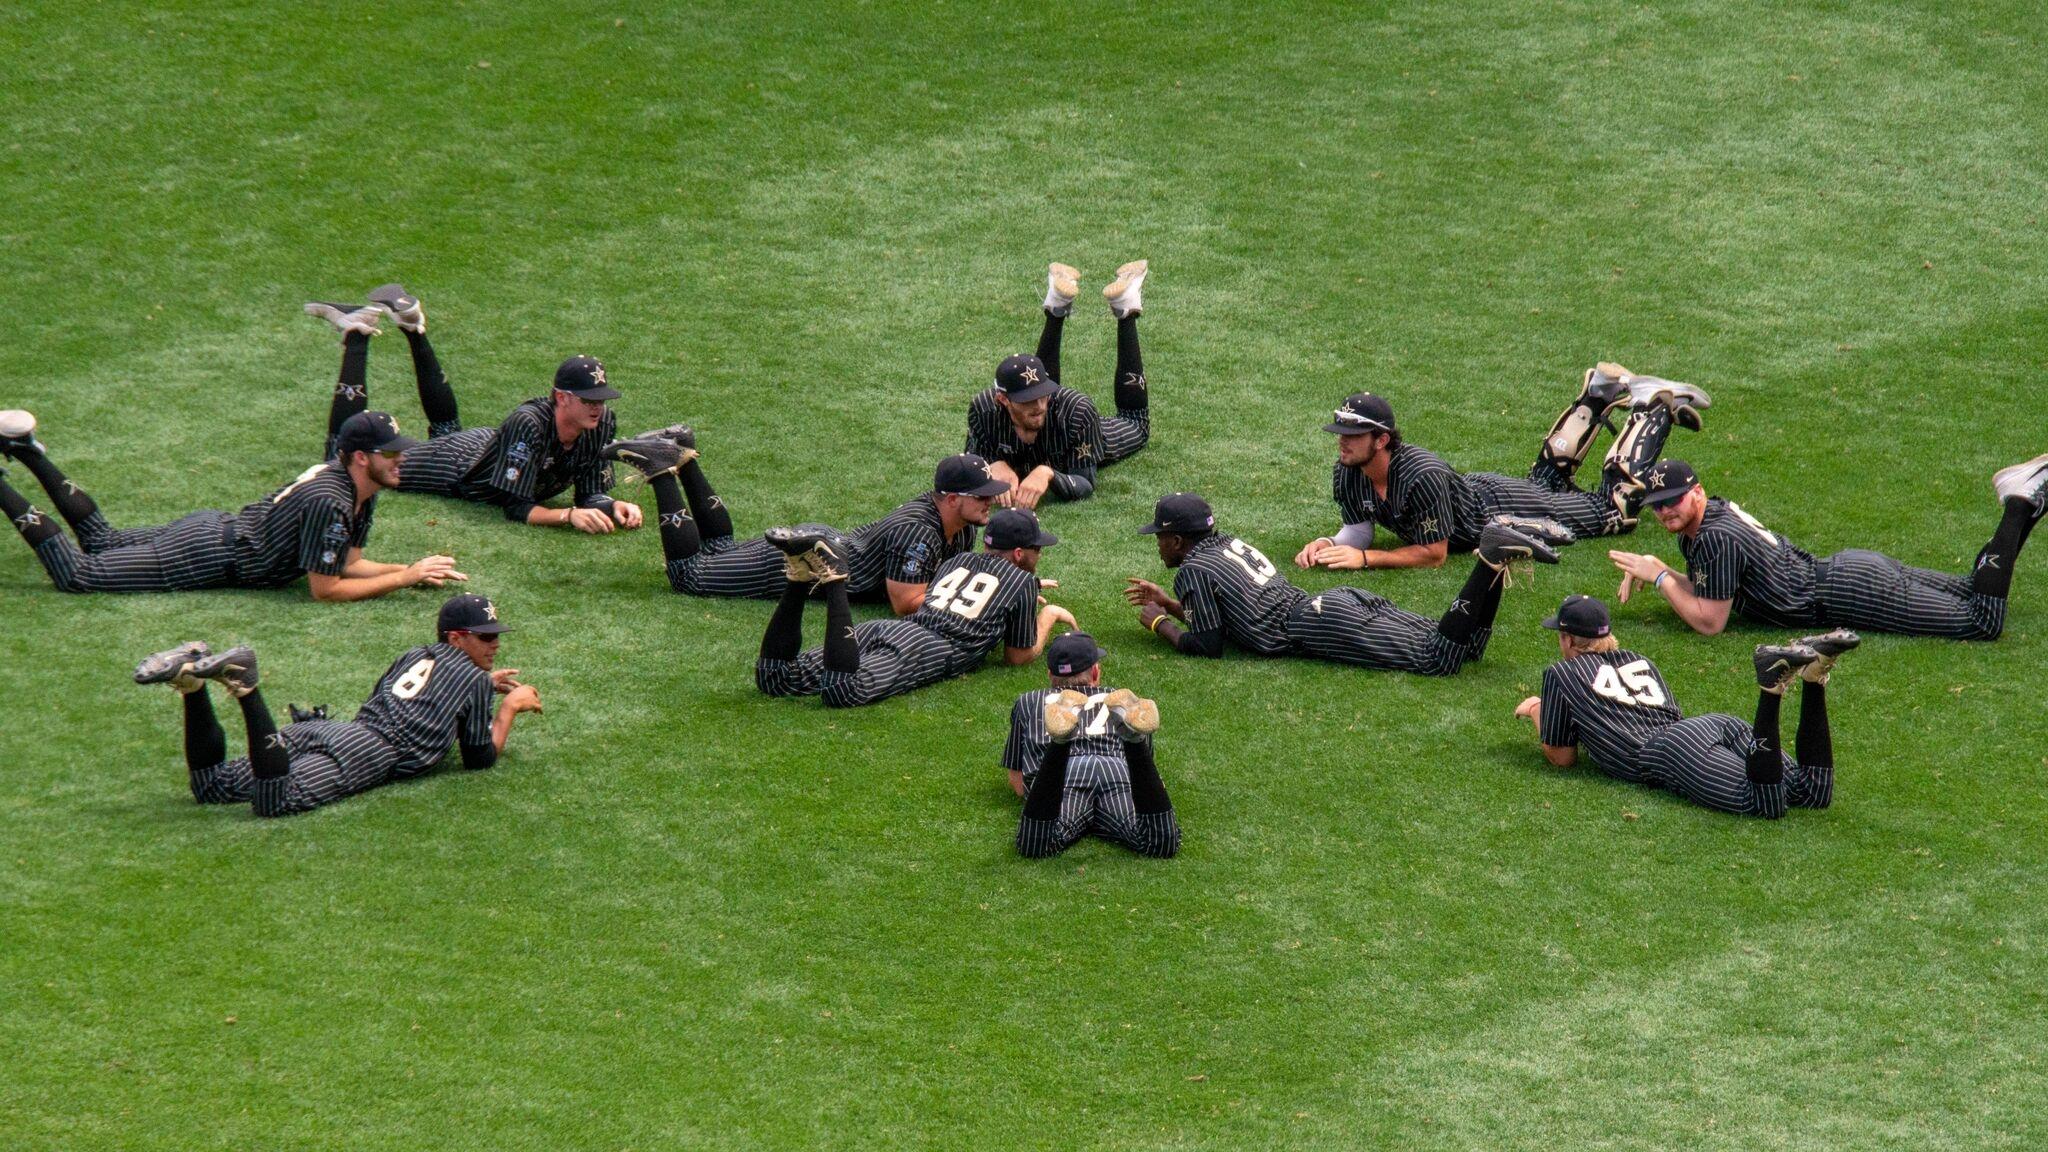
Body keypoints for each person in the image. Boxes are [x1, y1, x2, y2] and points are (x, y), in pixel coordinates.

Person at [132, 594, 542, 817]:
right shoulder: (471, 680)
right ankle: (247, 687)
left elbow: (406, 695)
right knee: (274, 801)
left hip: (333, 731)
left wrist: (484, 684)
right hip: (368, 752)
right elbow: (480, 758)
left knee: (211, 787)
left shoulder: (415, 654)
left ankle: (191, 685)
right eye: (486, 637)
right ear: (457, 638)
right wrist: (509, 708)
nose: (496, 644)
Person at [0, 408, 462, 599]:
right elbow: (326, 590)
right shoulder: (332, 501)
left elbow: (348, 562)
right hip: (206, 555)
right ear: (362, 458)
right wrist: (403, 578)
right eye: (392, 453)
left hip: (213, 532)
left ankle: (24, 447)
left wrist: (410, 568)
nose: (403, 459)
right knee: (78, 575)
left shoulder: (361, 488)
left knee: (103, 539)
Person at [1295, 366, 1708, 570]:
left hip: (1504, 511)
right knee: (1548, 483)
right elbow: (1360, 529)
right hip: (1480, 497)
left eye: (1352, 435)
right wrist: (1329, 543)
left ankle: (1651, 408)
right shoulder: (1348, 470)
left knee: (1612, 512)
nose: (1342, 443)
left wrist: (1366, 560)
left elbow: (1434, 554)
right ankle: (1597, 394)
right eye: (1341, 433)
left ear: (1381, 440)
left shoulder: (1421, 475)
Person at [306, 288, 641, 534]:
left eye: (601, 399)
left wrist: (613, 506)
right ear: (561, 398)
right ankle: (356, 332)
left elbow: (590, 493)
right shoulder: (530, 423)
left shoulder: (601, 423)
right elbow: (516, 507)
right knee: (343, 462)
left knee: (446, 429)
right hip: (457, 467)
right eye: (588, 400)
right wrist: (566, 516)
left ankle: (413, 326)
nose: (597, 407)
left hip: (491, 450)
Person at [1126, 492, 1571, 675]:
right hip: (1337, 603)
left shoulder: (1194, 570)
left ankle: (1489, 555)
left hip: (1320, 624)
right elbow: (1224, 621)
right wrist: (1171, 603)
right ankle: (1493, 564)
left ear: (1179, 540)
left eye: (1161, 536)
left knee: (1441, 659)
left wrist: (1158, 624)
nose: (1159, 545)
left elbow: (1208, 646)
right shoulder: (1224, 545)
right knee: (1462, 647)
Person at [1608, 454, 2048, 638]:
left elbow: (1710, 621)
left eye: (1674, 501)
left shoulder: (1715, 537)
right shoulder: (1709, 523)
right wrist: (1657, 564)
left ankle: (2019, 502)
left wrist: (1663, 578)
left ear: (1698, 492)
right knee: (1975, 589)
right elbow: (1715, 587)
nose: (1665, 512)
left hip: (1852, 594)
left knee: (1981, 622)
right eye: (1658, 506)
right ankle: (2029, 501)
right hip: (1849, 574)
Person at [1515, 593, 1858, 818]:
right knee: (1811, 791)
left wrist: (1535, 708)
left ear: (1568, 639)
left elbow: (1562, 757)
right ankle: (1815, 676)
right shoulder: (1638, 659)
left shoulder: (1561, 672)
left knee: (1764, 802)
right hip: (1714, 725)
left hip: (1673, 750)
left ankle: (1771, 686)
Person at [601, 430, 1005, 613]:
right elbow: (906, 603)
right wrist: (983, 602)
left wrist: (998, 585)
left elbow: (953, 573)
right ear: (953, 499)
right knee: (689, 575)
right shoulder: (918, 532)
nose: (991, 502)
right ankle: (660, 469)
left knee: (719, 549)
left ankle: (684, 451)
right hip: (800, 563)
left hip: (821, 547)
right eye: (982, 496)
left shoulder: (962, 523)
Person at [755, 508, 1075, 707]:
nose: (1040, 555)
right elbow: (1017, 657)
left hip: (889, 627)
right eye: (1037, 549)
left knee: (777, 678)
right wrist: (1047, 616)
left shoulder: (958, 560)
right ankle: (835, 578)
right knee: (842, 690)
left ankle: (798, 579)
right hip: (923, 647)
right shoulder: (1021, 583)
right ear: (1019, 554)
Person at [964, 261, 1153, 508]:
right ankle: (1058, 303)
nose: (1039, 404)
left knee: (1136, 422)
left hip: (1079, 432)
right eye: (1027, 400)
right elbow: (967, 463)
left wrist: (1048, 474)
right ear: (1003, 400)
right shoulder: (983, 409)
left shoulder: (1078, 412)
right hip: (1054, 432)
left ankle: (1125, 307)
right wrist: (991, 466)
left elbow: (1084, 483)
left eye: (1043, 395)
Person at [1002, 633, 1179, 859]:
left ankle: (1061, 741)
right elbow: (1147, 781)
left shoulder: (1029, 701)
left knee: (1035, 845)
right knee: (1160, 844)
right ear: (1095, 672)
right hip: (1118, 770)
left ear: (1050, 675)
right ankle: (1132, 739)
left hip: (1063, 776)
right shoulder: (1119, 698)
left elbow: (1017, 782)